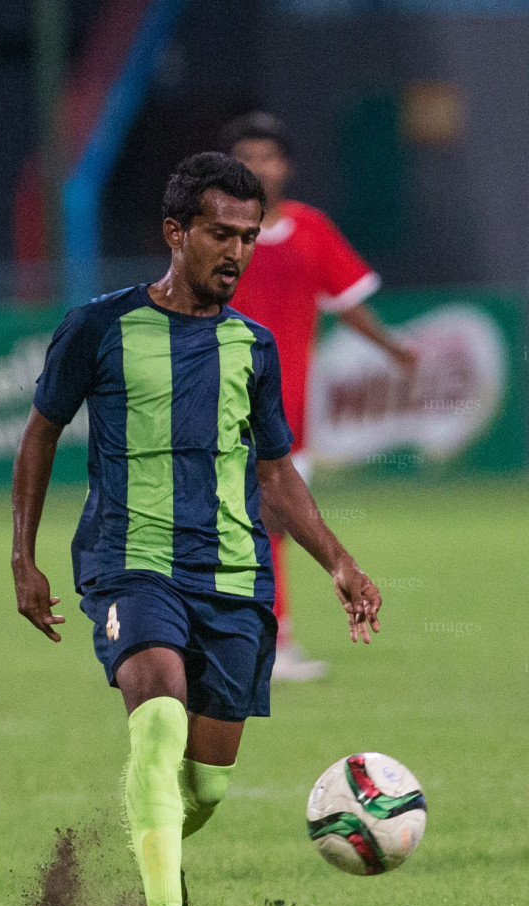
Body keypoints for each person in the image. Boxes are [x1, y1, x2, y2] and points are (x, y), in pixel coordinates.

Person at [11, 152, 383, 906]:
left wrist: (338, 562)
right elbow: (41, 432)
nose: (237, 252)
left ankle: (159, 853)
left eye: (248, 237)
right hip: (129, 564)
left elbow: (277, 472)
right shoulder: (98, 327)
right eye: (221, 233)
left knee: (206, 783)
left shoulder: (253, 347)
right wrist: (23, 559)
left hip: (233, 577)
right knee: (157, 722)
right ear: (175, 233)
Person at [221, 112, 416, 684]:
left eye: (269, 155)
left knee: (268, 523)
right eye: (247, 155)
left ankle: (262, 641)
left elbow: (346, 299)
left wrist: (392, 348)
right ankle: (264, 642)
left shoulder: (309, 230)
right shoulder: (216, 229)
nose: (258, 166)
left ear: (287, 165)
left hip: (287, 411)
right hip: (217, 401)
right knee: (245, 523)